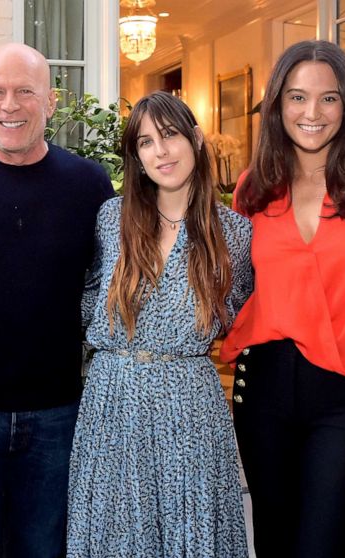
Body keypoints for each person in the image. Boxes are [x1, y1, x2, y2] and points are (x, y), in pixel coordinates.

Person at [0, 43, 113, 557]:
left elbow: (108, 281)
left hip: (56, 410)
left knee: (45, 548)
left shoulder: (89, 184)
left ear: (50, 101)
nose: (9, 105)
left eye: (24, 92)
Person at [224, 40, 345, 557]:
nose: (311, 113)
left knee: (323, 546)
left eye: (328, 99)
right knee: (274, 544)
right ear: (278, 106)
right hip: (262, 385)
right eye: (297, 97)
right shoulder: (253, 188)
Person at [67, 91, 252, 556]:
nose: (161, 152)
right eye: (146, 142)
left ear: (196, 138)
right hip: (112, 403)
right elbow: (86, 299)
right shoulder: (111, 219)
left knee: (189, 532)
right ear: (136, 157)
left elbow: (243, 313)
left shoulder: (234, 233)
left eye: (169, 135)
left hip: (190, 406)